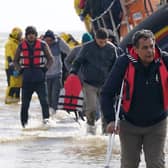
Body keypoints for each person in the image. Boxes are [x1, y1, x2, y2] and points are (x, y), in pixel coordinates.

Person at [101, 29, 168, 168]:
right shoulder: (123, 63)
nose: (150, 51)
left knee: (156, 164)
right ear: (135, 49)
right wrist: (110, 119)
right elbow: (107, 93)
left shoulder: (165, 60)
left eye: (151, 46)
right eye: (145, 48)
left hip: (157, 123)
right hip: (129, 124)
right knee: (129, 164)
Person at [70, 28, 117, 134]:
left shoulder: (111, 48)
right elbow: (77, 61)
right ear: (95, 38)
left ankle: (105, 132)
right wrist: (73, 72)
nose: (103, 44)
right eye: (101, 42)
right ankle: (91, 130)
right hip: (89, 83)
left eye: (105, 41)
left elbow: (116, 65)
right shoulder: (87, 47)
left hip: (106, 84)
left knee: (106, 109)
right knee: (92, 109)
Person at [14, 26, 54, 128]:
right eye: (29, 34)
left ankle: (46, 123)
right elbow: (15, 61)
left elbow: (50, 59)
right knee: (25, 105)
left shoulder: (43, 45)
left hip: (40, 80)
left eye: (33, 34)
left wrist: (45, 69)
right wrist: (20, 70)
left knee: (44, 102)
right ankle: (24, 126)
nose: (31, 36)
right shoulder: (21, 46)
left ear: (36, 35)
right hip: (27, 80)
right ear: (26, 35)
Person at [43, 30, 70, 114]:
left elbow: (68, 51)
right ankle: (48, 116)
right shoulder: (42, 44)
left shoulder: (58, 43)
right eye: (46, 40)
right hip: (45, 75)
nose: (48, 42)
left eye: (50, 40)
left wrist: (61, 40)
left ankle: (54, 115)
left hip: (57, 74)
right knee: (47, 98)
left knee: (55, 97)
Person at [4, 27, 23, 104]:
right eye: (19, 35)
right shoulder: (9, 43)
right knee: (12, 85)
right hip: (11, 67)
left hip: (18, 67)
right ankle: (8, 102)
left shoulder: (17, 43)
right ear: (16, 34)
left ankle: (16, 103)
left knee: (18, 85)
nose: (20, 36)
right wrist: (14, 68)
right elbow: (9, 57)